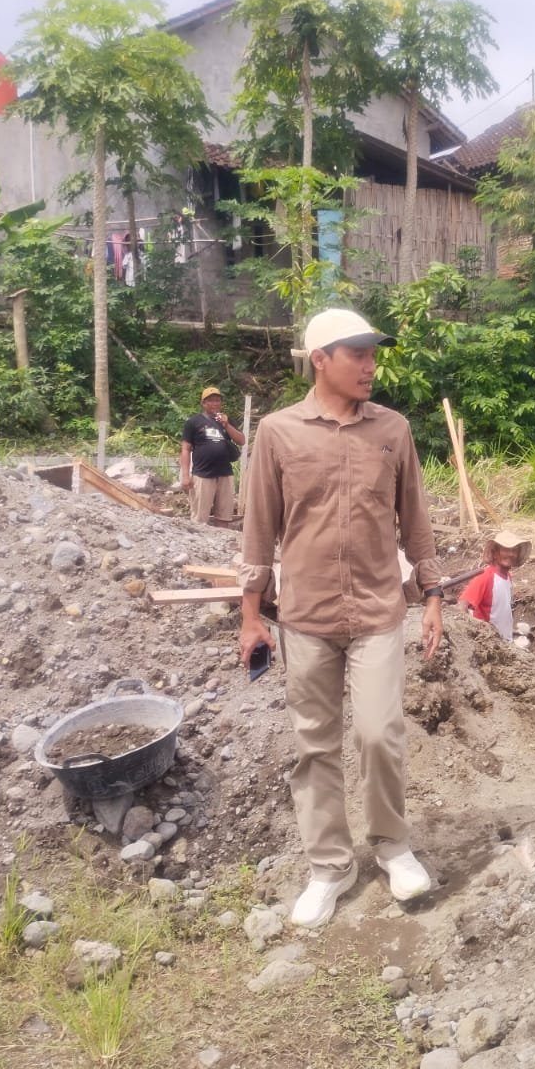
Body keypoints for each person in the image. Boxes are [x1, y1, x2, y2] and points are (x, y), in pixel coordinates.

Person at [239, 308, 443, 929]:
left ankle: (391, 845)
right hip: (305, 613)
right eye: (356, 354)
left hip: (381, 608)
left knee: (380, 732)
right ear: (319, 360)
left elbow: (416, 520)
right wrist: (251, 616)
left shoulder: (393, 430)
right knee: (314, 744)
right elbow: (259, 530)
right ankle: (330, 866)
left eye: (372, 354)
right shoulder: (278, 432)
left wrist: (432, 596)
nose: (370, 365)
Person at [180, 386, 245, 527]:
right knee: (199, 517)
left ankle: (220, 546)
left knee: (224, 516)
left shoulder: (227, 421)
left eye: (217, 400)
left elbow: (241, 441)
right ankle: (198, 545)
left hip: (225, 473)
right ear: (204, 403)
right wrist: (185, 475)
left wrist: (227, 425)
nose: (215, 404)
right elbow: (185, 449)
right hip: (202, 474)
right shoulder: (193, 422)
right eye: (211, 401)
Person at [459, 530, 531, 643]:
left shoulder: (508, 577)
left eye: (514, 550)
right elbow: (462, 604)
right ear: (495, 552)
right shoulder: (485, 577)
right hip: (489, 642)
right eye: (505, 549)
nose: (511, 554)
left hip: (505, 641)